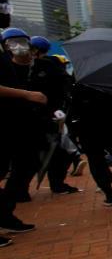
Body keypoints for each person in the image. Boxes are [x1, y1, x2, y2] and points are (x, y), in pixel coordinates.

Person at [0, 27, 48, 239]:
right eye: (12, 42)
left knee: (28, 163)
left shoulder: (38, 66)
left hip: (24, 123)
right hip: (5, 123)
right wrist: (27, 95)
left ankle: (4, 213)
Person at [68, 82, 112, 207]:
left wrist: (74, 131)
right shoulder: (107, 79)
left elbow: (72, 107)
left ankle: (109, 194)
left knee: (96, 159)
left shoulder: (80, 79)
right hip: (110, 123)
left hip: (86, 126)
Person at [28, 36, 79, 194]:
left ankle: (56, 184)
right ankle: (20, 189)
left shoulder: (48, 65)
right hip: (34, 117)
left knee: (60, 151)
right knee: (39, 154)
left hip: (51, 115)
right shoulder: (18, 67)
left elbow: (65, 85)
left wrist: (60, 107)